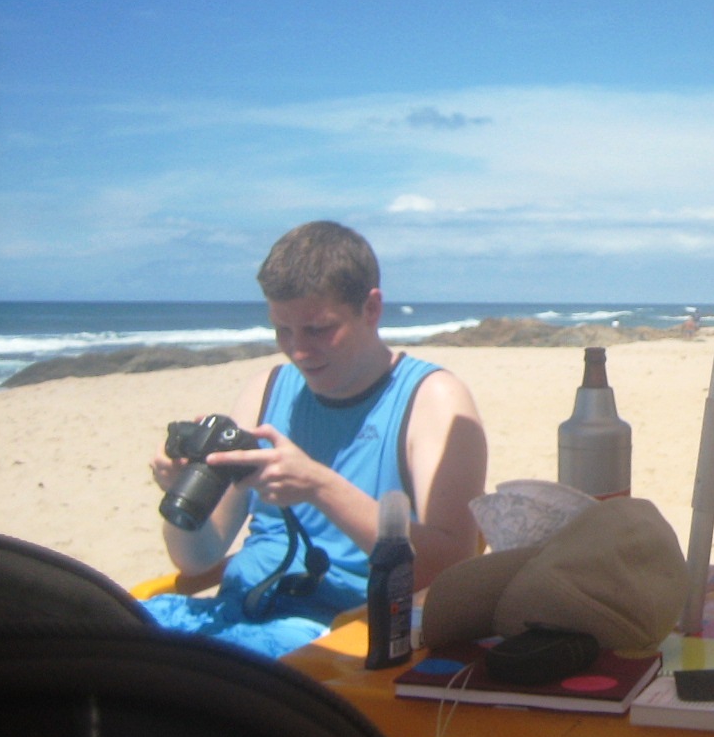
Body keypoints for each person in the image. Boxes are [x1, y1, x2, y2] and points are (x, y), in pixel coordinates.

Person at [145, 221, 488, 658]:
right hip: (234, 614)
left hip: (337, 633)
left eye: (318, 329)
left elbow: (451, 567)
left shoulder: (432, 399)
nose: (298, 351)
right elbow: (197, 559)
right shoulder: (267, 389)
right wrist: (181, 497)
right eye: (282, 330)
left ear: (371, 308)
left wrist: (319, 487)